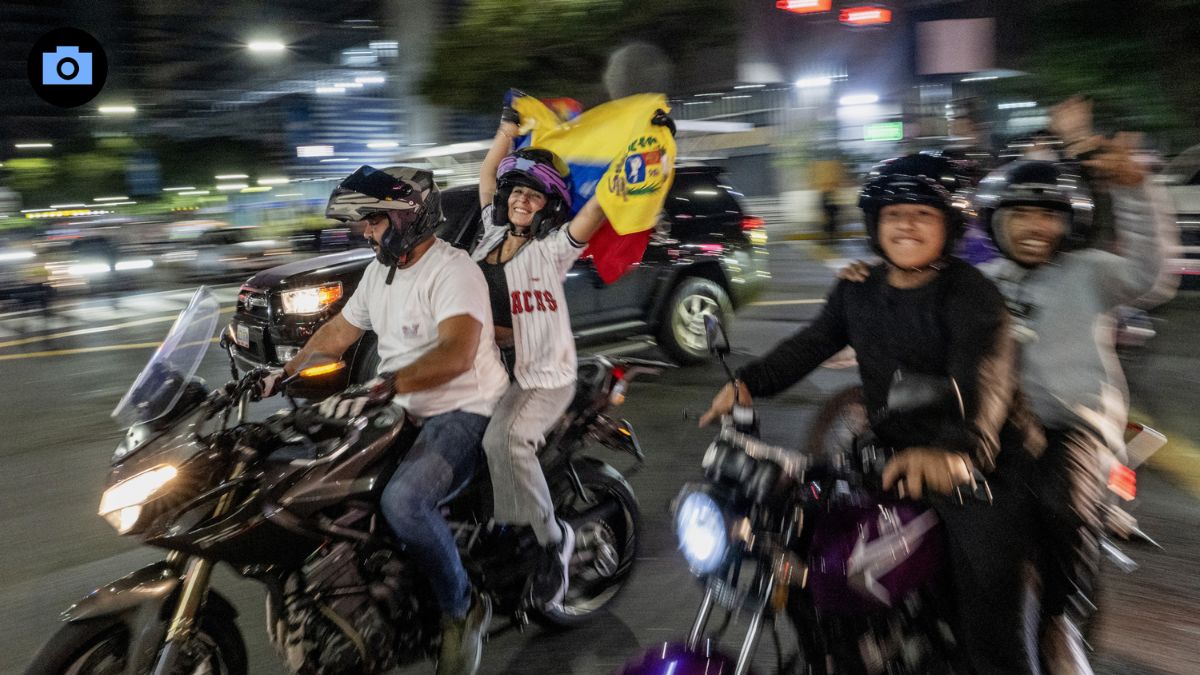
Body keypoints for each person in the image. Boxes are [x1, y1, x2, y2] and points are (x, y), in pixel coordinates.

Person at [700, 163, 1046, 674]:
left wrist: (960, 451)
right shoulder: (859, 290)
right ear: (874, 224)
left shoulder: (972, 294)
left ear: (948, 225)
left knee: (988, 631)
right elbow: (814, 342)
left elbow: (985, 383)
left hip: (983, 472)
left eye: (922, 214)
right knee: (812, 547)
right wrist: (748, 383)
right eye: (894, 214)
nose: (906, 225)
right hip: (894, 456)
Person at [262, 165, 509, 675]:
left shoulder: (453, 270)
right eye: (364, 224)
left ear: (409, 215)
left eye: (373, 221)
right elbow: (339, 331)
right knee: (321, 481)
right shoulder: (381, 273)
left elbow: (458, 354)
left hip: (464, 408)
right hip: (403, 408)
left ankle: (462, 609)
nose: (365, 231)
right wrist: (283, 373)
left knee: (405, 501)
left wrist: (388, 384)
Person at [970, 137, 1176, 674]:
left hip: (1073, 428)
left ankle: (1060, 621)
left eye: (1050, 215)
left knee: (1061, 499)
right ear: (996, 220)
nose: (1036, 226)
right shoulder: (980, 282)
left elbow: (1153, 275)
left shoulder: (1090, 271)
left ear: (1070, 222)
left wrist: (1136, 190)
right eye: (1021, 214)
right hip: (994, 425)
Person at [471, 106, 611, 606]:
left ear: (548, 205)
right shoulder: (490, 233)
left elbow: (596, 210)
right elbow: (489, 172)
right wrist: (505, 130)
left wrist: (637, 152)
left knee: (503, 441)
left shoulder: (552, 248)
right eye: (518, 192)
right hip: (484, 373)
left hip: (540, 376)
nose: (522, 200)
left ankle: (553, 541)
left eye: (534, 194)